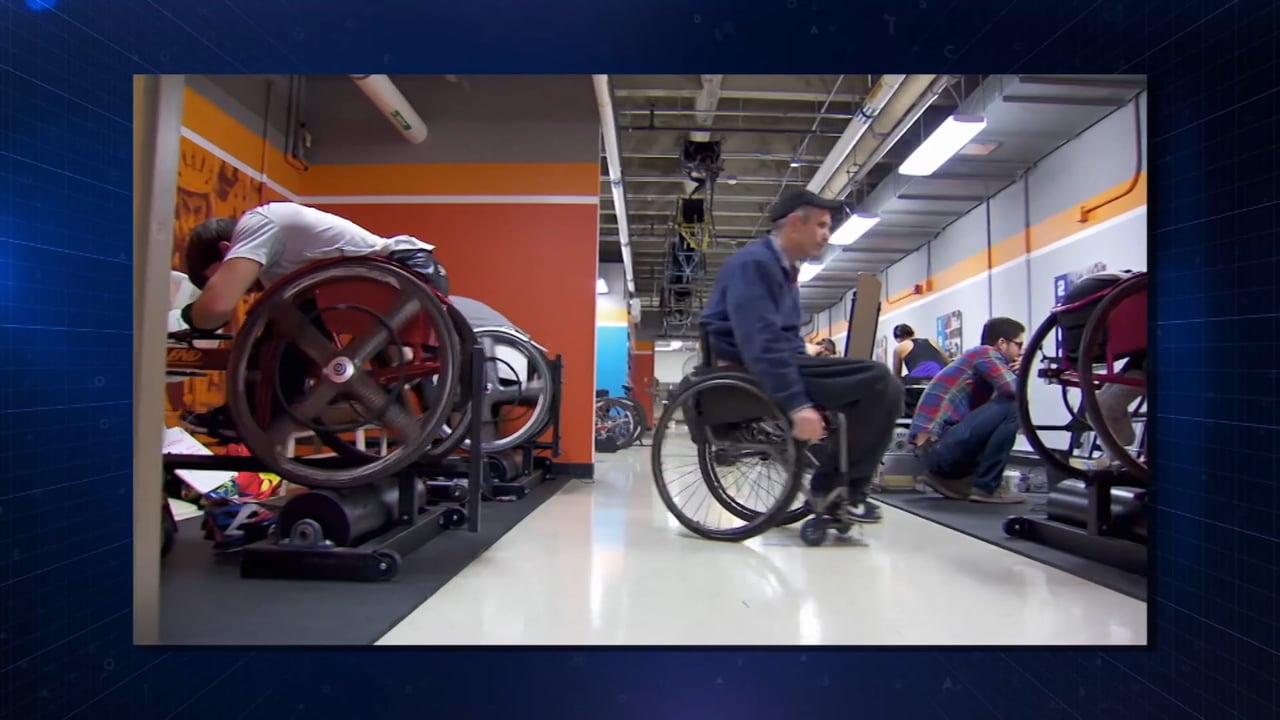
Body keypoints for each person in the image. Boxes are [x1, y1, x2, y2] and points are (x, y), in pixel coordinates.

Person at [701, 188, 905, 525]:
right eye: (822, 225)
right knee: (879, 383)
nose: (827, 234)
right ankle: (837, 489)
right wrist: (796, 404)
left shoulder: (784, 270)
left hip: (777, 359)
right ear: (796, 223)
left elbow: (781, 337)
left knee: (880, 383)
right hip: (747, 368)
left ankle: (838, 484)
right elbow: (760, 341)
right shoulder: (755, 265)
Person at [175, 201, 457, 441]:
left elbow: (216, 307)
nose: (245, 290)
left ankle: (247, 417)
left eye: (218, 277)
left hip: (405, 273)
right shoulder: (280, 264)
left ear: (227, 250)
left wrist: (189, 319)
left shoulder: (257, 224)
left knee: (281, 334)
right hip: (409, 276)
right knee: (288, 329)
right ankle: (265, 413)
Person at [907, 317, 1027, 504]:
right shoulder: (985, 353)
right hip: (937, 450)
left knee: (1007, 408)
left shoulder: (978, 363)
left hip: (936, 450)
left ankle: (961, 481)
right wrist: (1025, 369)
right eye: (1019, 345)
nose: (1021, 352)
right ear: (1002, 343)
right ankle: (986, 487)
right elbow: (1014, 391)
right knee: (1013, 406)